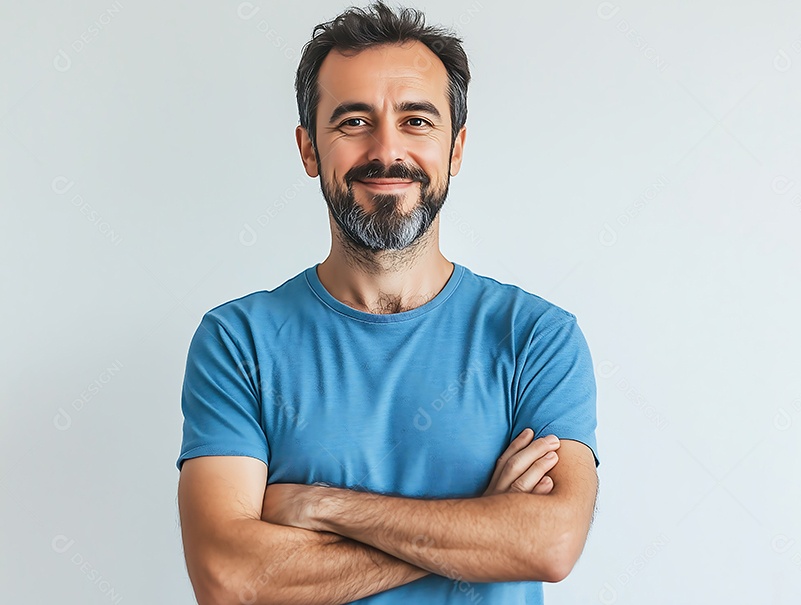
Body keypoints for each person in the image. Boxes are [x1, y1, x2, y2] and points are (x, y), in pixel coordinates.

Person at [174, 2, 600, 604]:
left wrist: (321, 506)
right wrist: (483, 523)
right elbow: (230, 579)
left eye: (417, 120)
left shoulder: (536, 337)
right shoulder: (238, 341)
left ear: (455, 149)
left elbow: (550, 542)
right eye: (353, 121)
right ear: (308, 150)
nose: (386, 150)